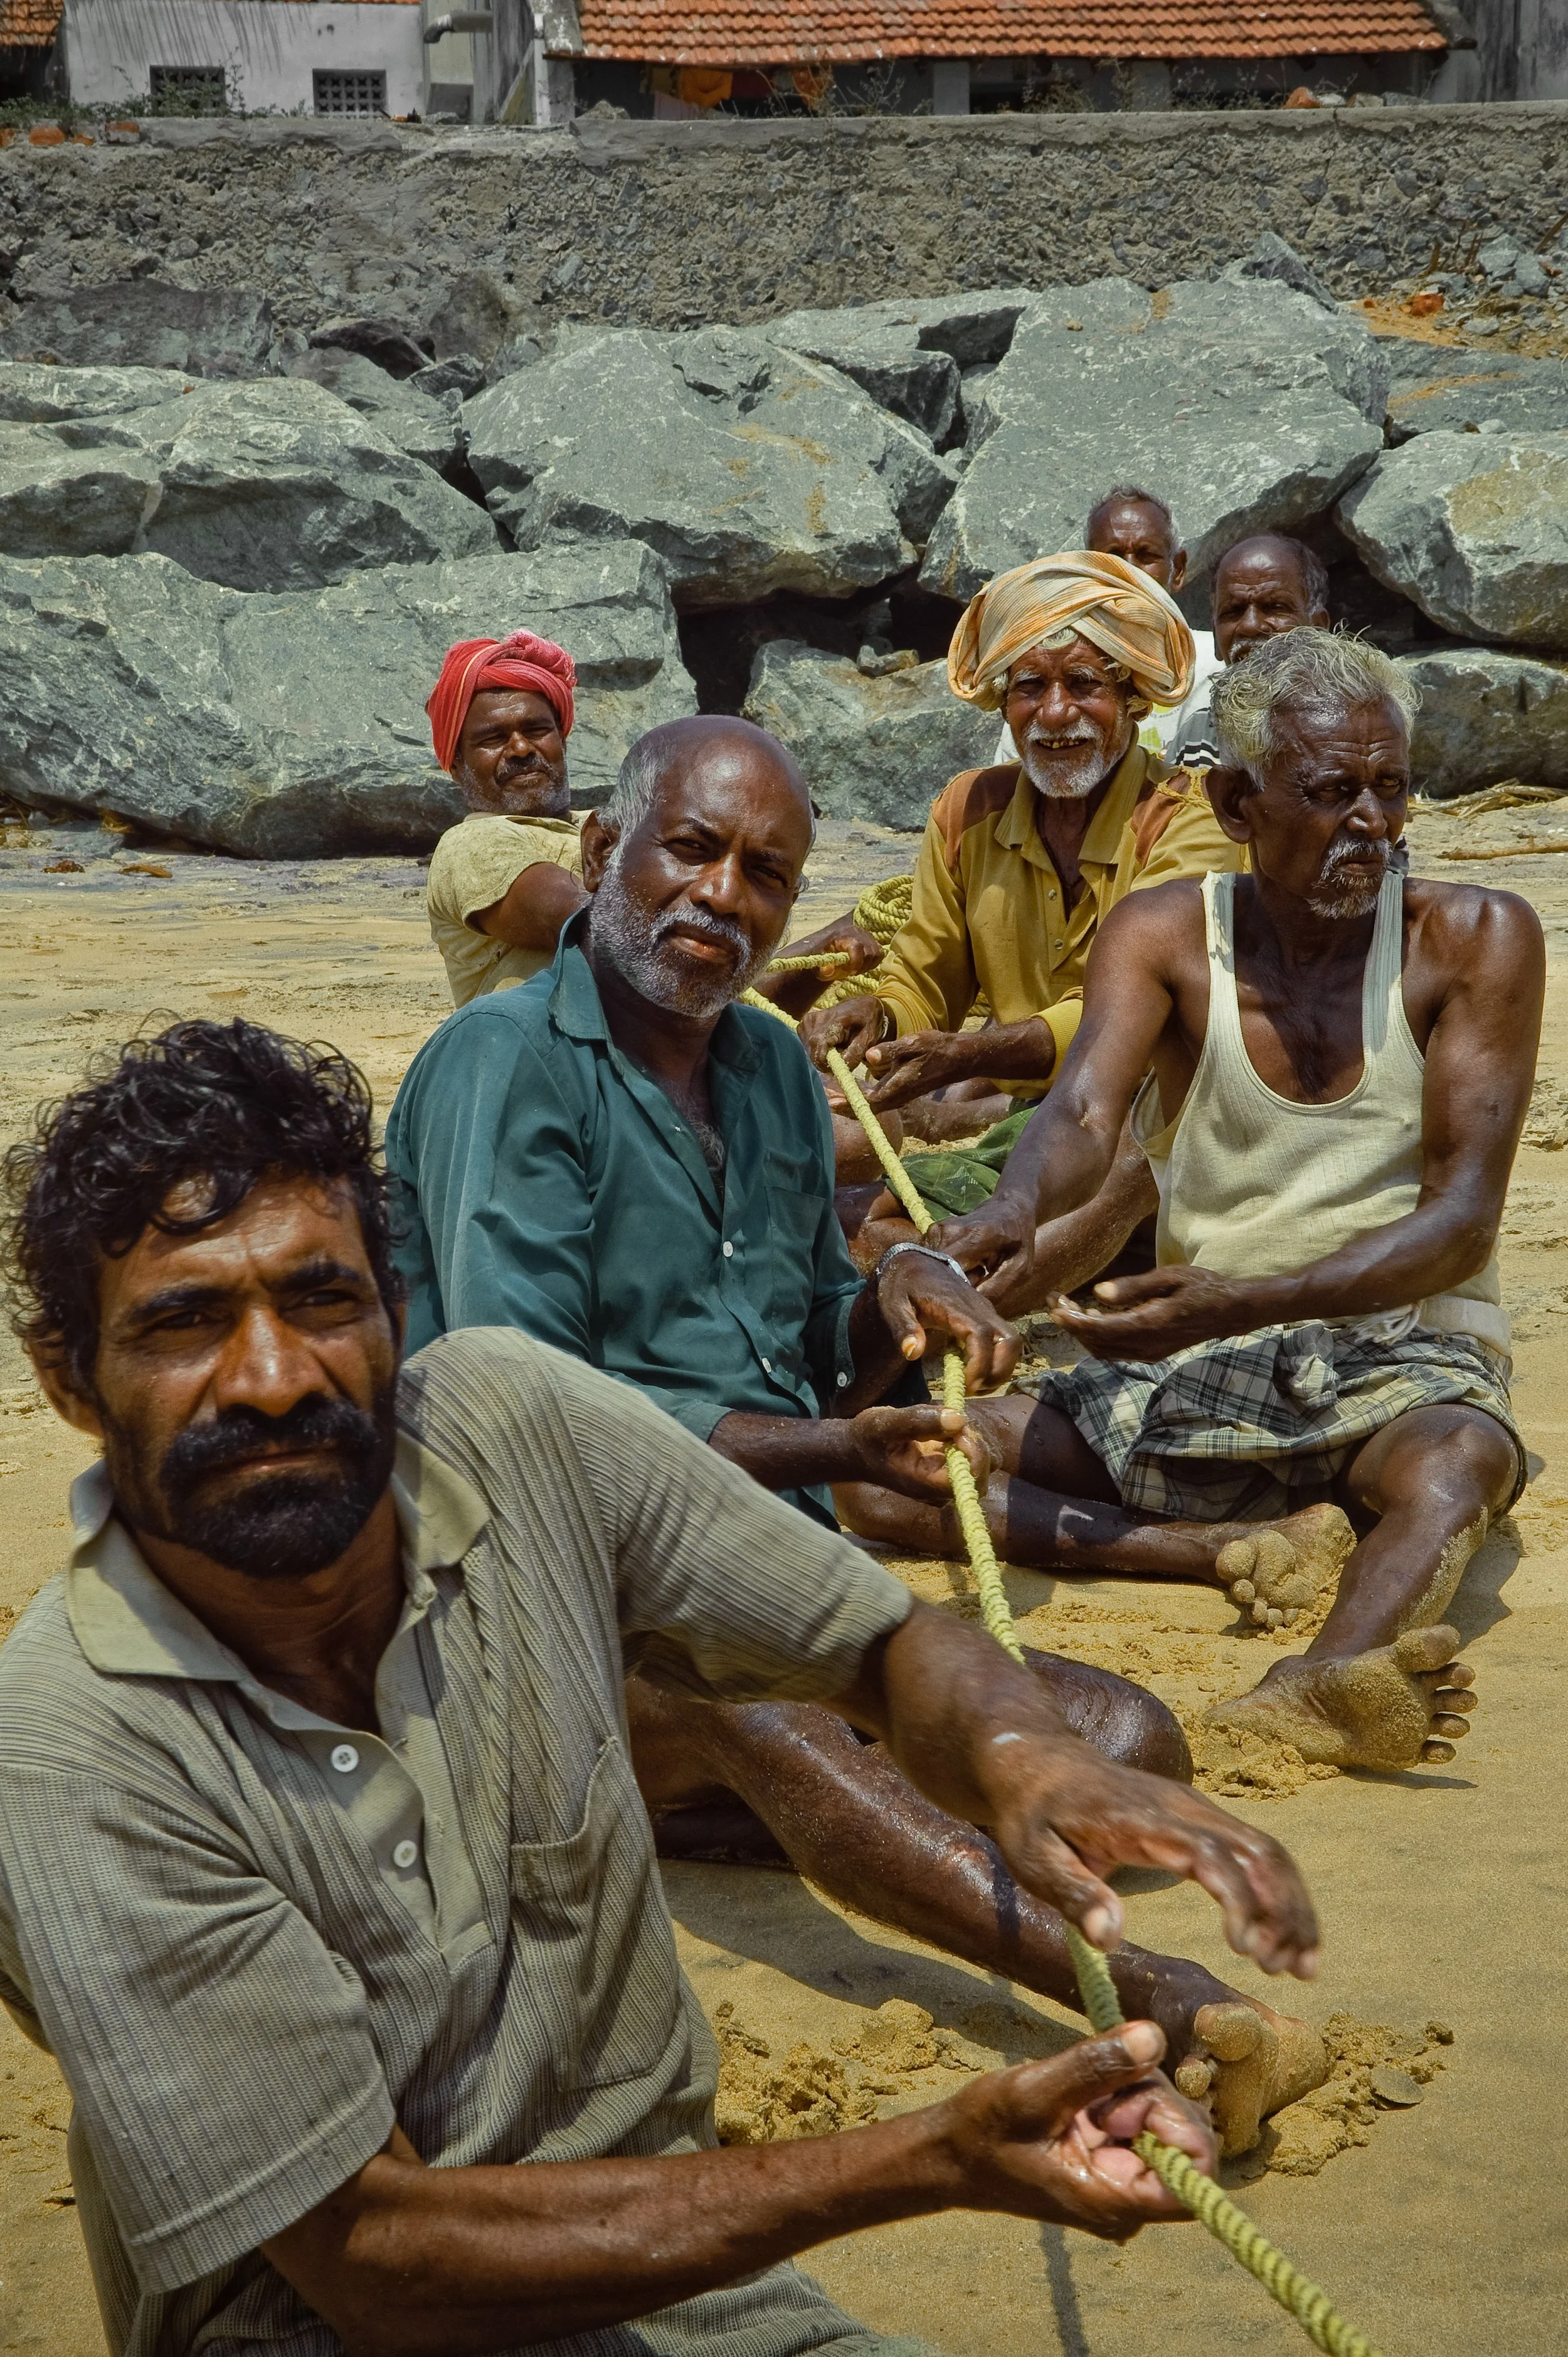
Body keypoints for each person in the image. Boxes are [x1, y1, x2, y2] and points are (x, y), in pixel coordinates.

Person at [0, 1019, 1323, 2357]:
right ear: (70, 1379)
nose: (276, 1376)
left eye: (321, 1299)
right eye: (185, 1323)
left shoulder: (510, 1421)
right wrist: (930, 2158)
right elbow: (376, 2260)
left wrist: (1018, 1757)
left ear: (394, 1307)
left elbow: (881, 1645)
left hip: (689, 2292)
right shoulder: (77, 1744)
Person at [386, 714, 1331, 2147]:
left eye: (765, 873)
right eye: (690, 849)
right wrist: (837, 1454)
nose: (722, 896)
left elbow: (819, 1348)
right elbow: (529, 1417)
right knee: (756, 1709)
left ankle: (715, 1799)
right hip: (543, 1606)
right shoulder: (500, 1064)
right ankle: (1158, 1991)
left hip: (767, 1570)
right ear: (602, 854)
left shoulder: (766, 1070)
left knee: (1129, 1732)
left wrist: (902, 1291)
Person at [923, 629, 1540, 1775]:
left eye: (1391, 787)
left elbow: (1461, 1223)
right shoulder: (1165, 934)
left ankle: (1320, 1681)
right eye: (1333, 792)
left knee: (1458, 1457)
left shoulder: (1476, 936)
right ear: (1240, 803)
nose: (1373, 822)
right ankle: (1232, 1543)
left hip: (1397, 1350)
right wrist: (1011, 1208)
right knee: (915, 1455)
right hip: (1196, 1365)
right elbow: (1083, 1117)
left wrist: (1234, 1300)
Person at [423, 629, 878, 1017]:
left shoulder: (613, 827)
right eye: (493, 739)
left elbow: (708, 988)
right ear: (457, 764)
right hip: (557, 1067)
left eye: (536, 730)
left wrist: (830, 946)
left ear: (561, 737)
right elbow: (591, 919)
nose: (521, 748)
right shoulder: (471, 845)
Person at [994, 489, 1221, 765]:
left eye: (1146, 555)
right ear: (1085, 572)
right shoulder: (1050, 672)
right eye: (1111, 558)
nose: (1128, 573)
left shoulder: (1216, 664)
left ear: (1179, 569)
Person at [1167, 535, 1332, 770]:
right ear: (1215, 639)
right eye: (1233, 611)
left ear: (1318, 629)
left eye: (1274, 607)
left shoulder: (1355, 729)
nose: (1251, 626)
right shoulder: (1197, 736)